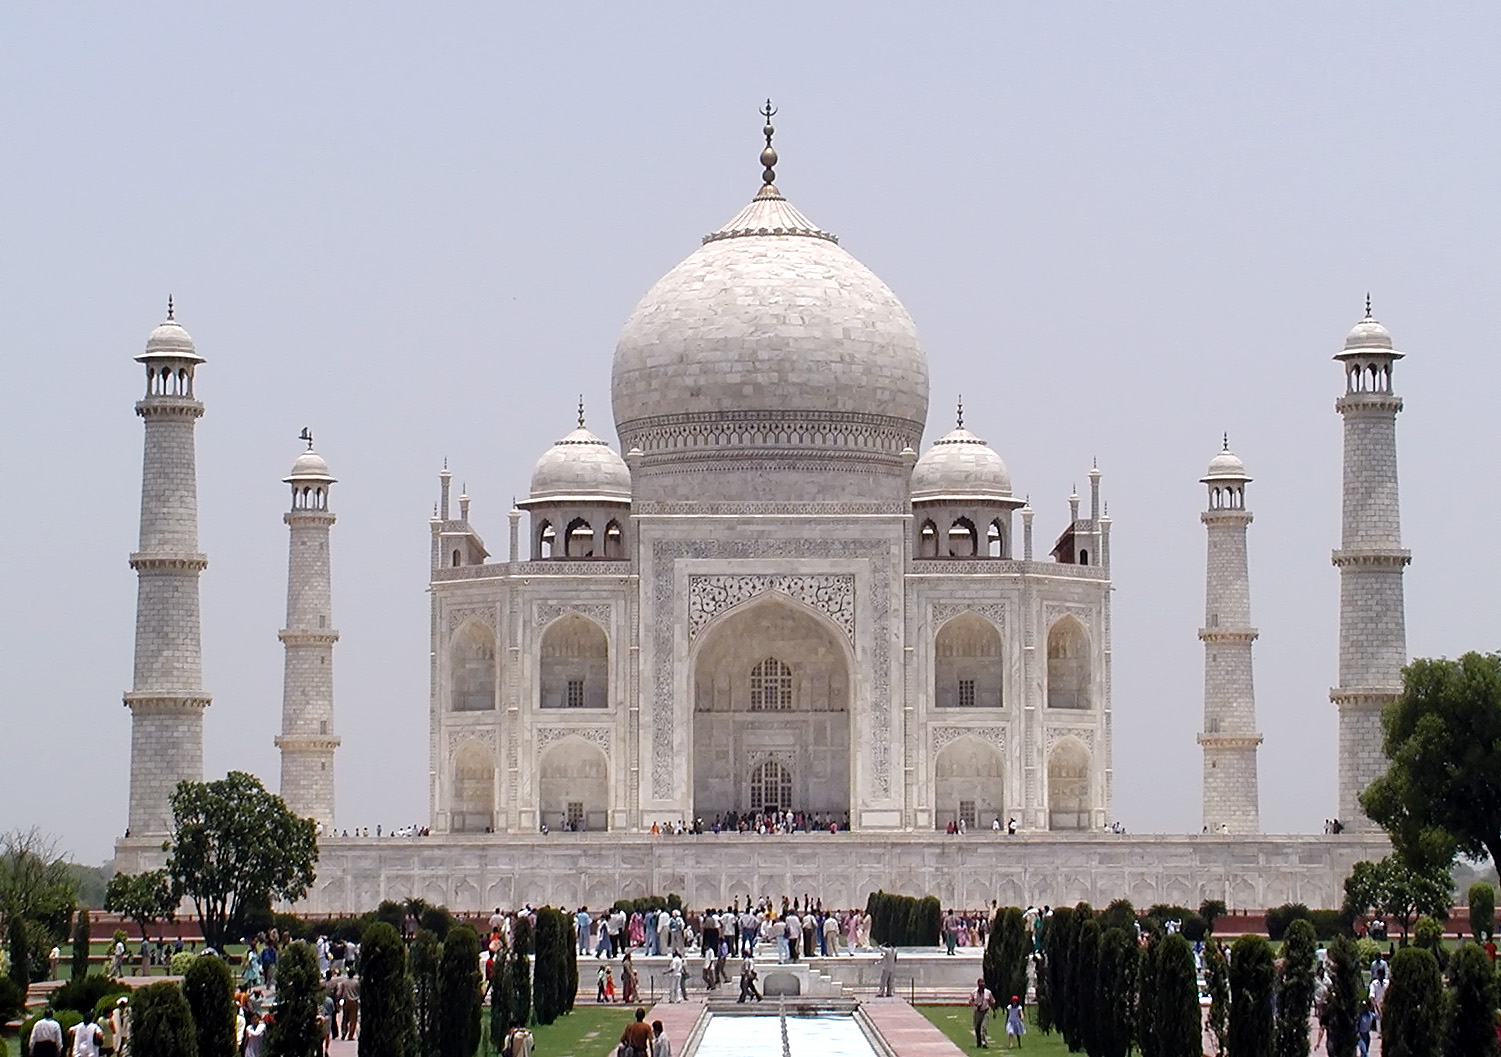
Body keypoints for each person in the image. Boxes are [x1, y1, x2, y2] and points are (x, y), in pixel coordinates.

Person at [970, 977, 995, 1048]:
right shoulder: (974, 992)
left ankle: (984, 1043)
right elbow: (970, 1001)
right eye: (980, 984)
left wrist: (994, 1011)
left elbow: (992, 1002)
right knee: (977, 1027)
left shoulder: (988, 992)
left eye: (983, 984)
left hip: (985, 1011)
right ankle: (979, 1042)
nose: (982, 985)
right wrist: (975, 1004)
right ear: (978, 984)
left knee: (984, 1027)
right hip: (977, 1011)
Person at [340, 972, 360, 1040]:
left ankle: (344, 1032)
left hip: (345, 1001)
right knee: (353, 1019)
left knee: (345, 1018)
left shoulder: (344, 982)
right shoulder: (356, 982)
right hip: (354, 1001)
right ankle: (350, 1035)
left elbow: (341, 991)